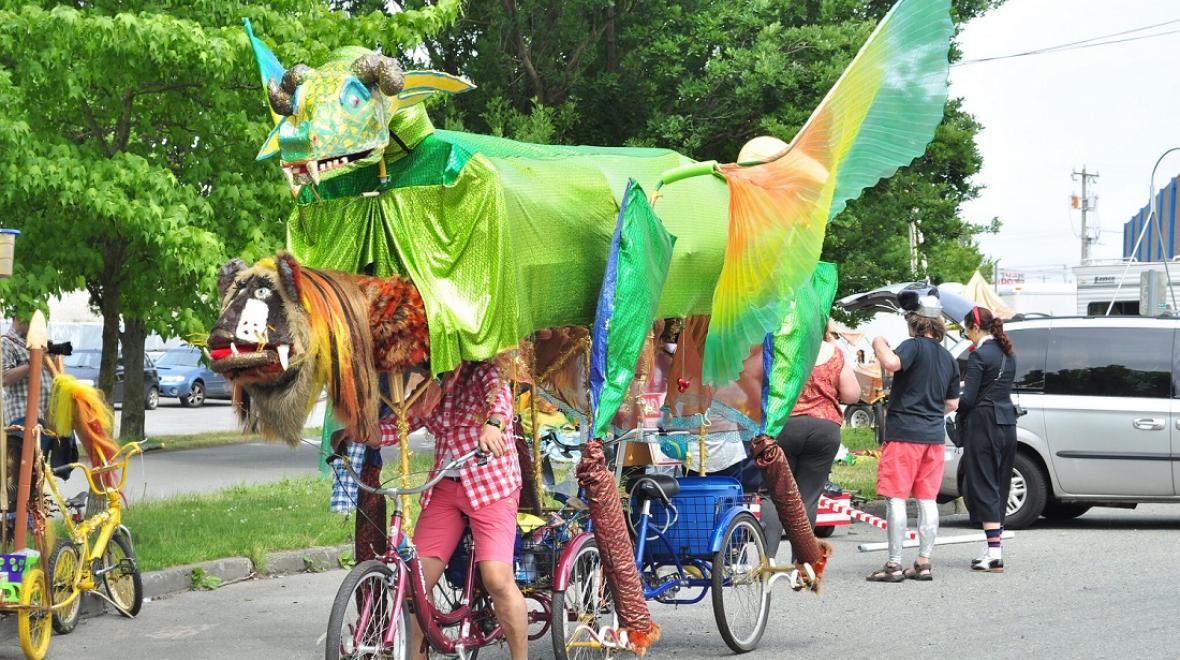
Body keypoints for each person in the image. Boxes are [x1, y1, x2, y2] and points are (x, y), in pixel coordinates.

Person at [356, 361, 527, 660]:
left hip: (492, 486)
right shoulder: (433, 385)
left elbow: (500, 401)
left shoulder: (483, 370)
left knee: (497, 578)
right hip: (445, 487)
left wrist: (494, 425)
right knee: (415, 581)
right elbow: (403, 423)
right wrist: (359, 433)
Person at [866, 296, 959, 582]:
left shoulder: (913, 346)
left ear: (914, 322)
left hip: (904, 433)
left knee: (895, 498)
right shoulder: (948, 358)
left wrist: (878, 342)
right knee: (927, 499)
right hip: (933, 437)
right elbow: (952, 403)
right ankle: (923, 562)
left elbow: (891, 362)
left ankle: (894, 565)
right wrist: (929, 414)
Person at [775, 321, 861, 528]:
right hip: (824, 428)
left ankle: (768, 548)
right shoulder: (835, 353)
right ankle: (802, 550)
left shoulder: (781, 349)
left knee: (775, 495)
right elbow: (852, 395)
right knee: (808, 496)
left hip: (787, 424)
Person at [958, 306, 1017, 573]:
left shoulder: (979, 355)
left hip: (983, 425)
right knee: (1000, 486)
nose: (967, 335)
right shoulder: (1008, 353)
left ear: (974, 328)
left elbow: (969, 399)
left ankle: (994, 555)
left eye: (966, 331)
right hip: (1007, 422)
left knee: (984, 486)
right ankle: (994, 549)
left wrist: (951, 403)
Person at [2, 316, 52, 426]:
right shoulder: (5, 342)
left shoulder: (33, 343)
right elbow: (4, 377)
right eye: (30, 316)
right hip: (21, 416)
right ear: (18, 317)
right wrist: (34, 360)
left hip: (41, 416)